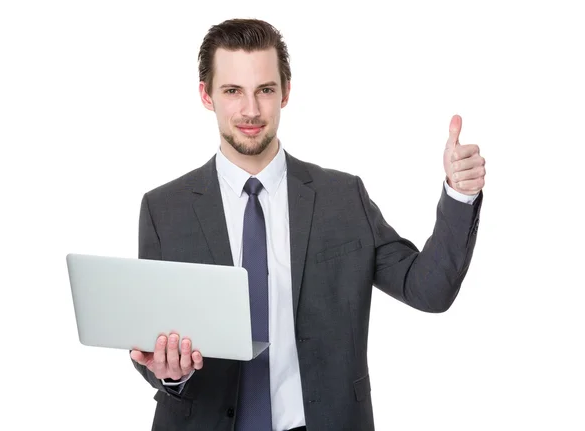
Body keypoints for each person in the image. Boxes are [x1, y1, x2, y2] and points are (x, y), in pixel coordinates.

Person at [130, 18, 485, 431]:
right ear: (206, 96)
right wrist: (170, 370)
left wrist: (460, 194)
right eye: (232, 91)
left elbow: (428, 289)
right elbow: (153, 344)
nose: (250, 110)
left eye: (265, 90)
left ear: (286, 92)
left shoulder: (342, 198)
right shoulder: (164, 209)